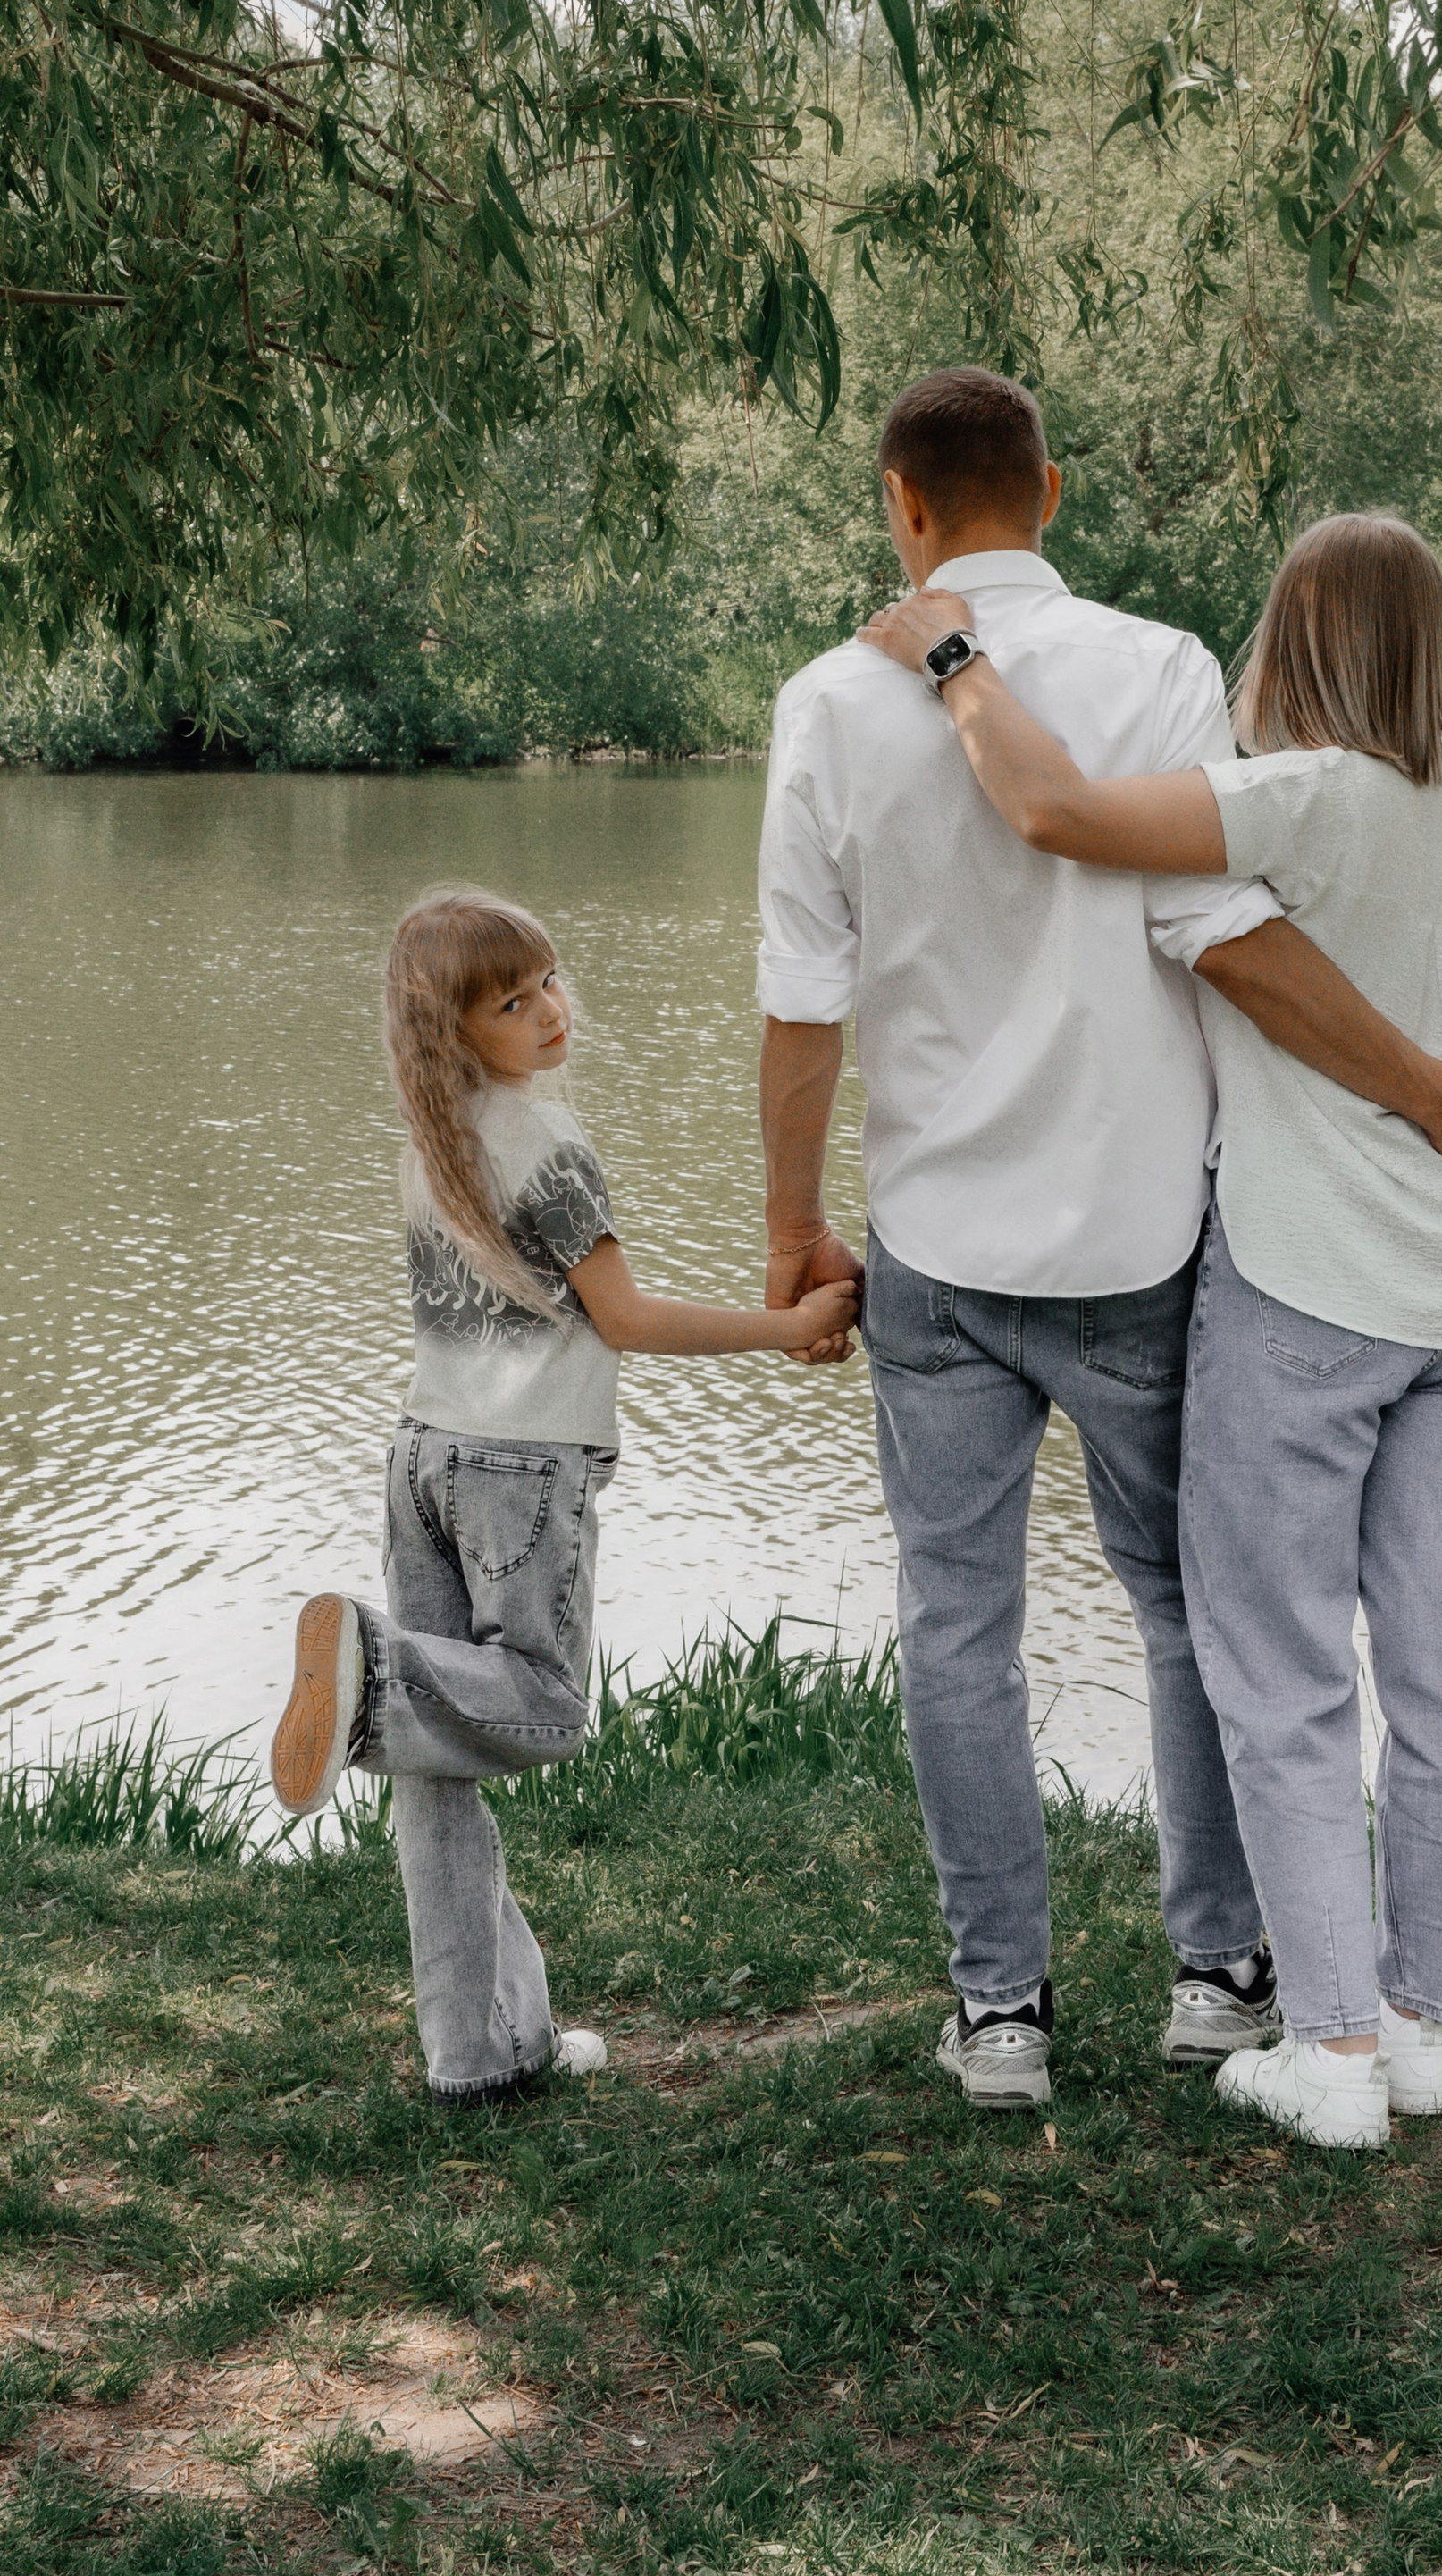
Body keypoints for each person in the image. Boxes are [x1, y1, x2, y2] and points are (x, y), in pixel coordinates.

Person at [759, 377, 1442, 2116]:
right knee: (1192, 1611)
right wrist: (1423, 1090)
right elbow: (1226, 939)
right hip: (1142, 1240)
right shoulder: (1166, 668)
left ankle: (1004, 2014)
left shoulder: (824, 701)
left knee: (957, 1623)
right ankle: (1216, 1976)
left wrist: (787, 1229)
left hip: (935, 1253)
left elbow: (802, 1007)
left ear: (900, 505)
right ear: (1046, 486)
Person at [267, 885, 857, 2108]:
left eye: (548, 981)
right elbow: (628, 1319)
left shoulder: (429, 1147)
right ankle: (371, 1670)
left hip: (420, 1457)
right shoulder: (545, 1143)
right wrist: (785, 1324)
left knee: (437, 1770)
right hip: (519, 1469)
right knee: (537, 1704)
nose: (549, 1010)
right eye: (510, 1000)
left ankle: (478, 2053)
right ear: (454, 1027)